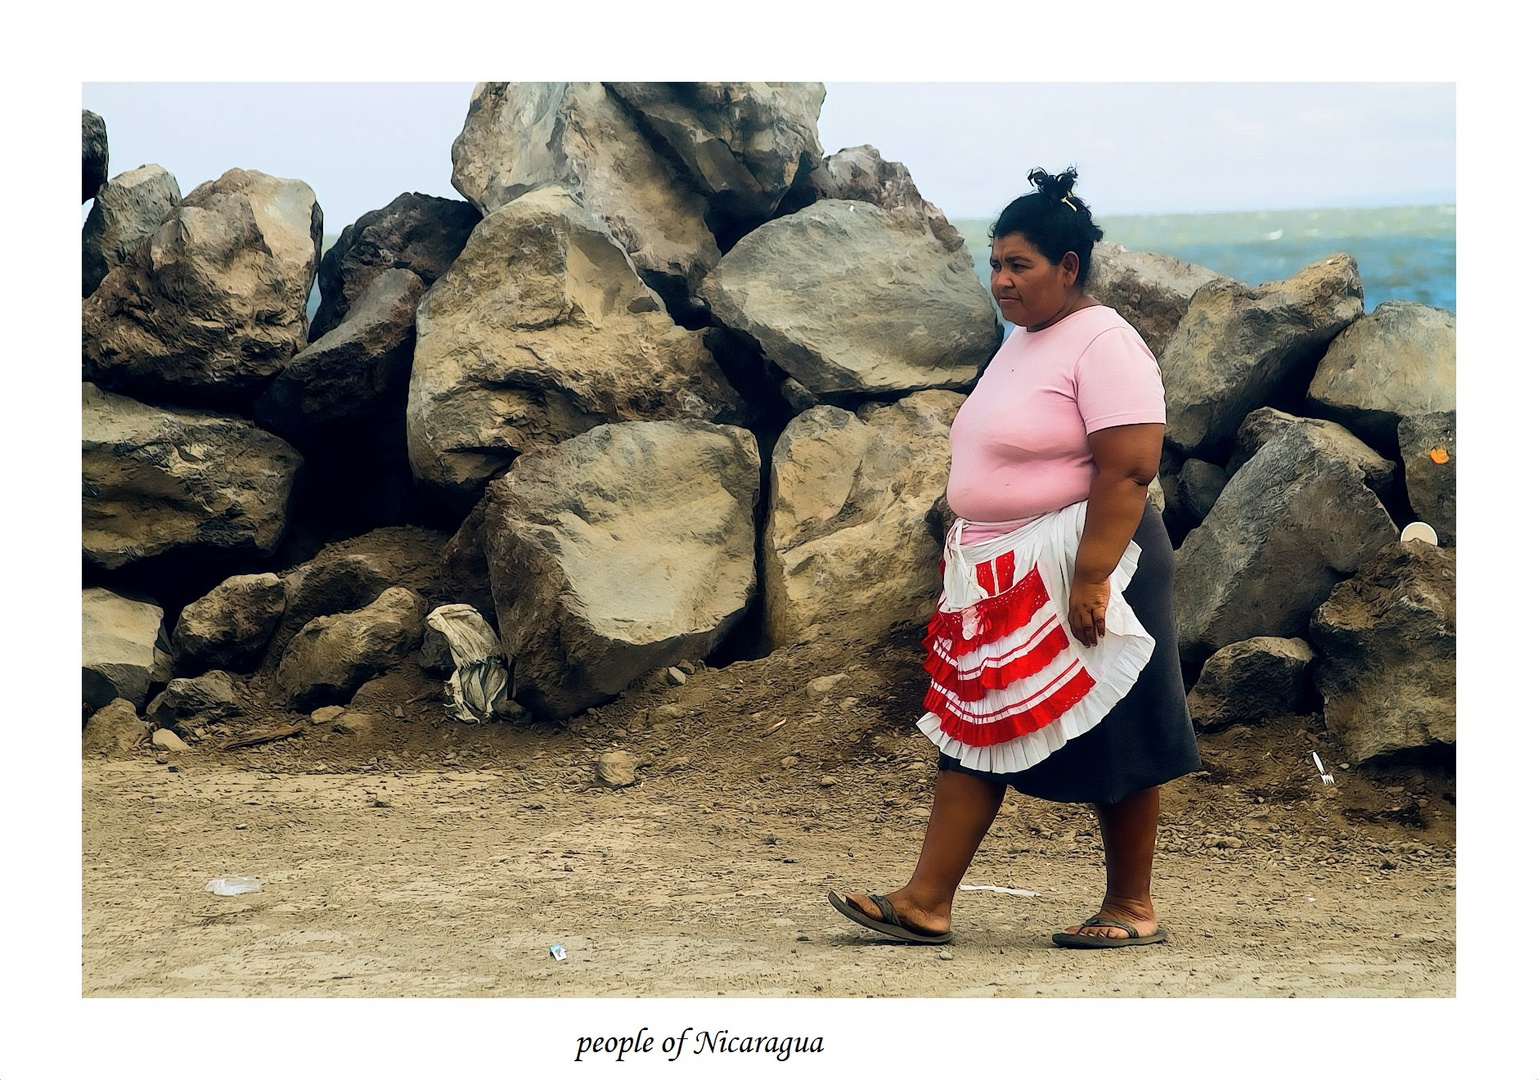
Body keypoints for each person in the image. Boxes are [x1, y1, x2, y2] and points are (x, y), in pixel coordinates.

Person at [828, 167, 1201, 949]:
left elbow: (1129, 466)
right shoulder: (1026, 340)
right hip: (1006, 568)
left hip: (1094, 561)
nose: (1000, 280)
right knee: (977, 723)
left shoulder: (1106, 342)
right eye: (993, 262)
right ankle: (927, 901)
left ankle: (1132, 906)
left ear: (1069, 268)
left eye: (1018, 265)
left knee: (1122, 728)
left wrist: (1092, 574)